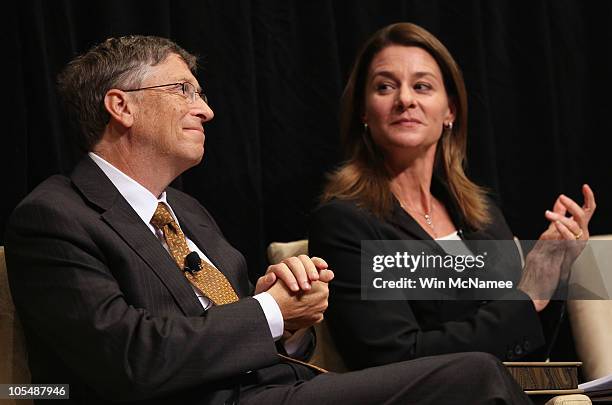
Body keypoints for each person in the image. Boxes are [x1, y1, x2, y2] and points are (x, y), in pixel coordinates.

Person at [4, 35, 531, 404]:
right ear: (121, 106)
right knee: (475, 377)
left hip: (275, 388)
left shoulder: (186, 212)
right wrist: (271, 312)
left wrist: (289, 321)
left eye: (201, 93)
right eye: (183, 90)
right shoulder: (55, 217)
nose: (206, 109)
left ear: (452, 111)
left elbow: (244, 323)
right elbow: (130, 359)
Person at [308, 22, 596, 370]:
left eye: (422, 86)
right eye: (385, 86)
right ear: (364, 112)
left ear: (450, 111)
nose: (405, 99)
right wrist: (525, 297)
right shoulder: (344, 222)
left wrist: (553, 271)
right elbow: (398, 359)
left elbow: (527, 350)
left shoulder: (482, 215)